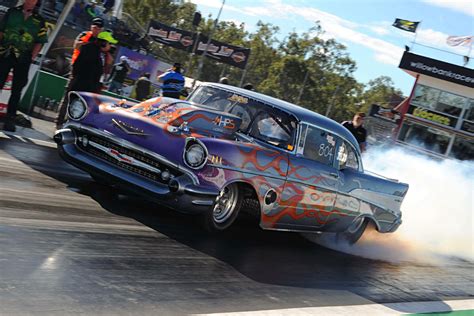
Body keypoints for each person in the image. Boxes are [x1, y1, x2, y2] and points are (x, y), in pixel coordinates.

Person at [0, 0, 48, 132]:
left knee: (17, 89)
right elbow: (1, 30)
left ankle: (10, 119)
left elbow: (40, 41)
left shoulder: (40, 20)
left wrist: (32, 56)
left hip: (23, 58)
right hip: (5, 53)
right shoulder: (12, 12)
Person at [55, 31, 117, 129]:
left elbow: (101, 73)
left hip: (91, 88)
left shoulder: (103, 55)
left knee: (82, 109)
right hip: (82, 84)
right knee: (72, 105)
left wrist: (108, 63)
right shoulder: (89, 49)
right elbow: (78, 66)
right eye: (109, 43)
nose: (111, 46)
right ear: (103, 43)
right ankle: (62, 124)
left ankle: (71, 126)